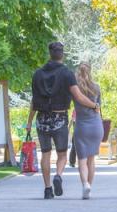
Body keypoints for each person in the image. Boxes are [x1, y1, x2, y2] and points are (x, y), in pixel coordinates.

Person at [26, 42, 99, 199]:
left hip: (42, 119)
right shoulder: (67, 73)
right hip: (59, 118)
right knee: (62, 154)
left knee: (45, 154)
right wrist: (94, 105)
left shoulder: (37, 74)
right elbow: (78, 96)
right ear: (62, 54)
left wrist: (29, 121)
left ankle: (47, 189)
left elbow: (34, 100)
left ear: (49, 54)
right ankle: (58, 175)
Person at [73, 63, 104, 200]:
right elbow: (99, 107)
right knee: (91, 160)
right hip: (96, 125)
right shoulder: (96, 87)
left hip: (82, 126)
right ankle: (89, 187)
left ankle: (85, 184)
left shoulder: (74, 88)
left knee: (82, 159)